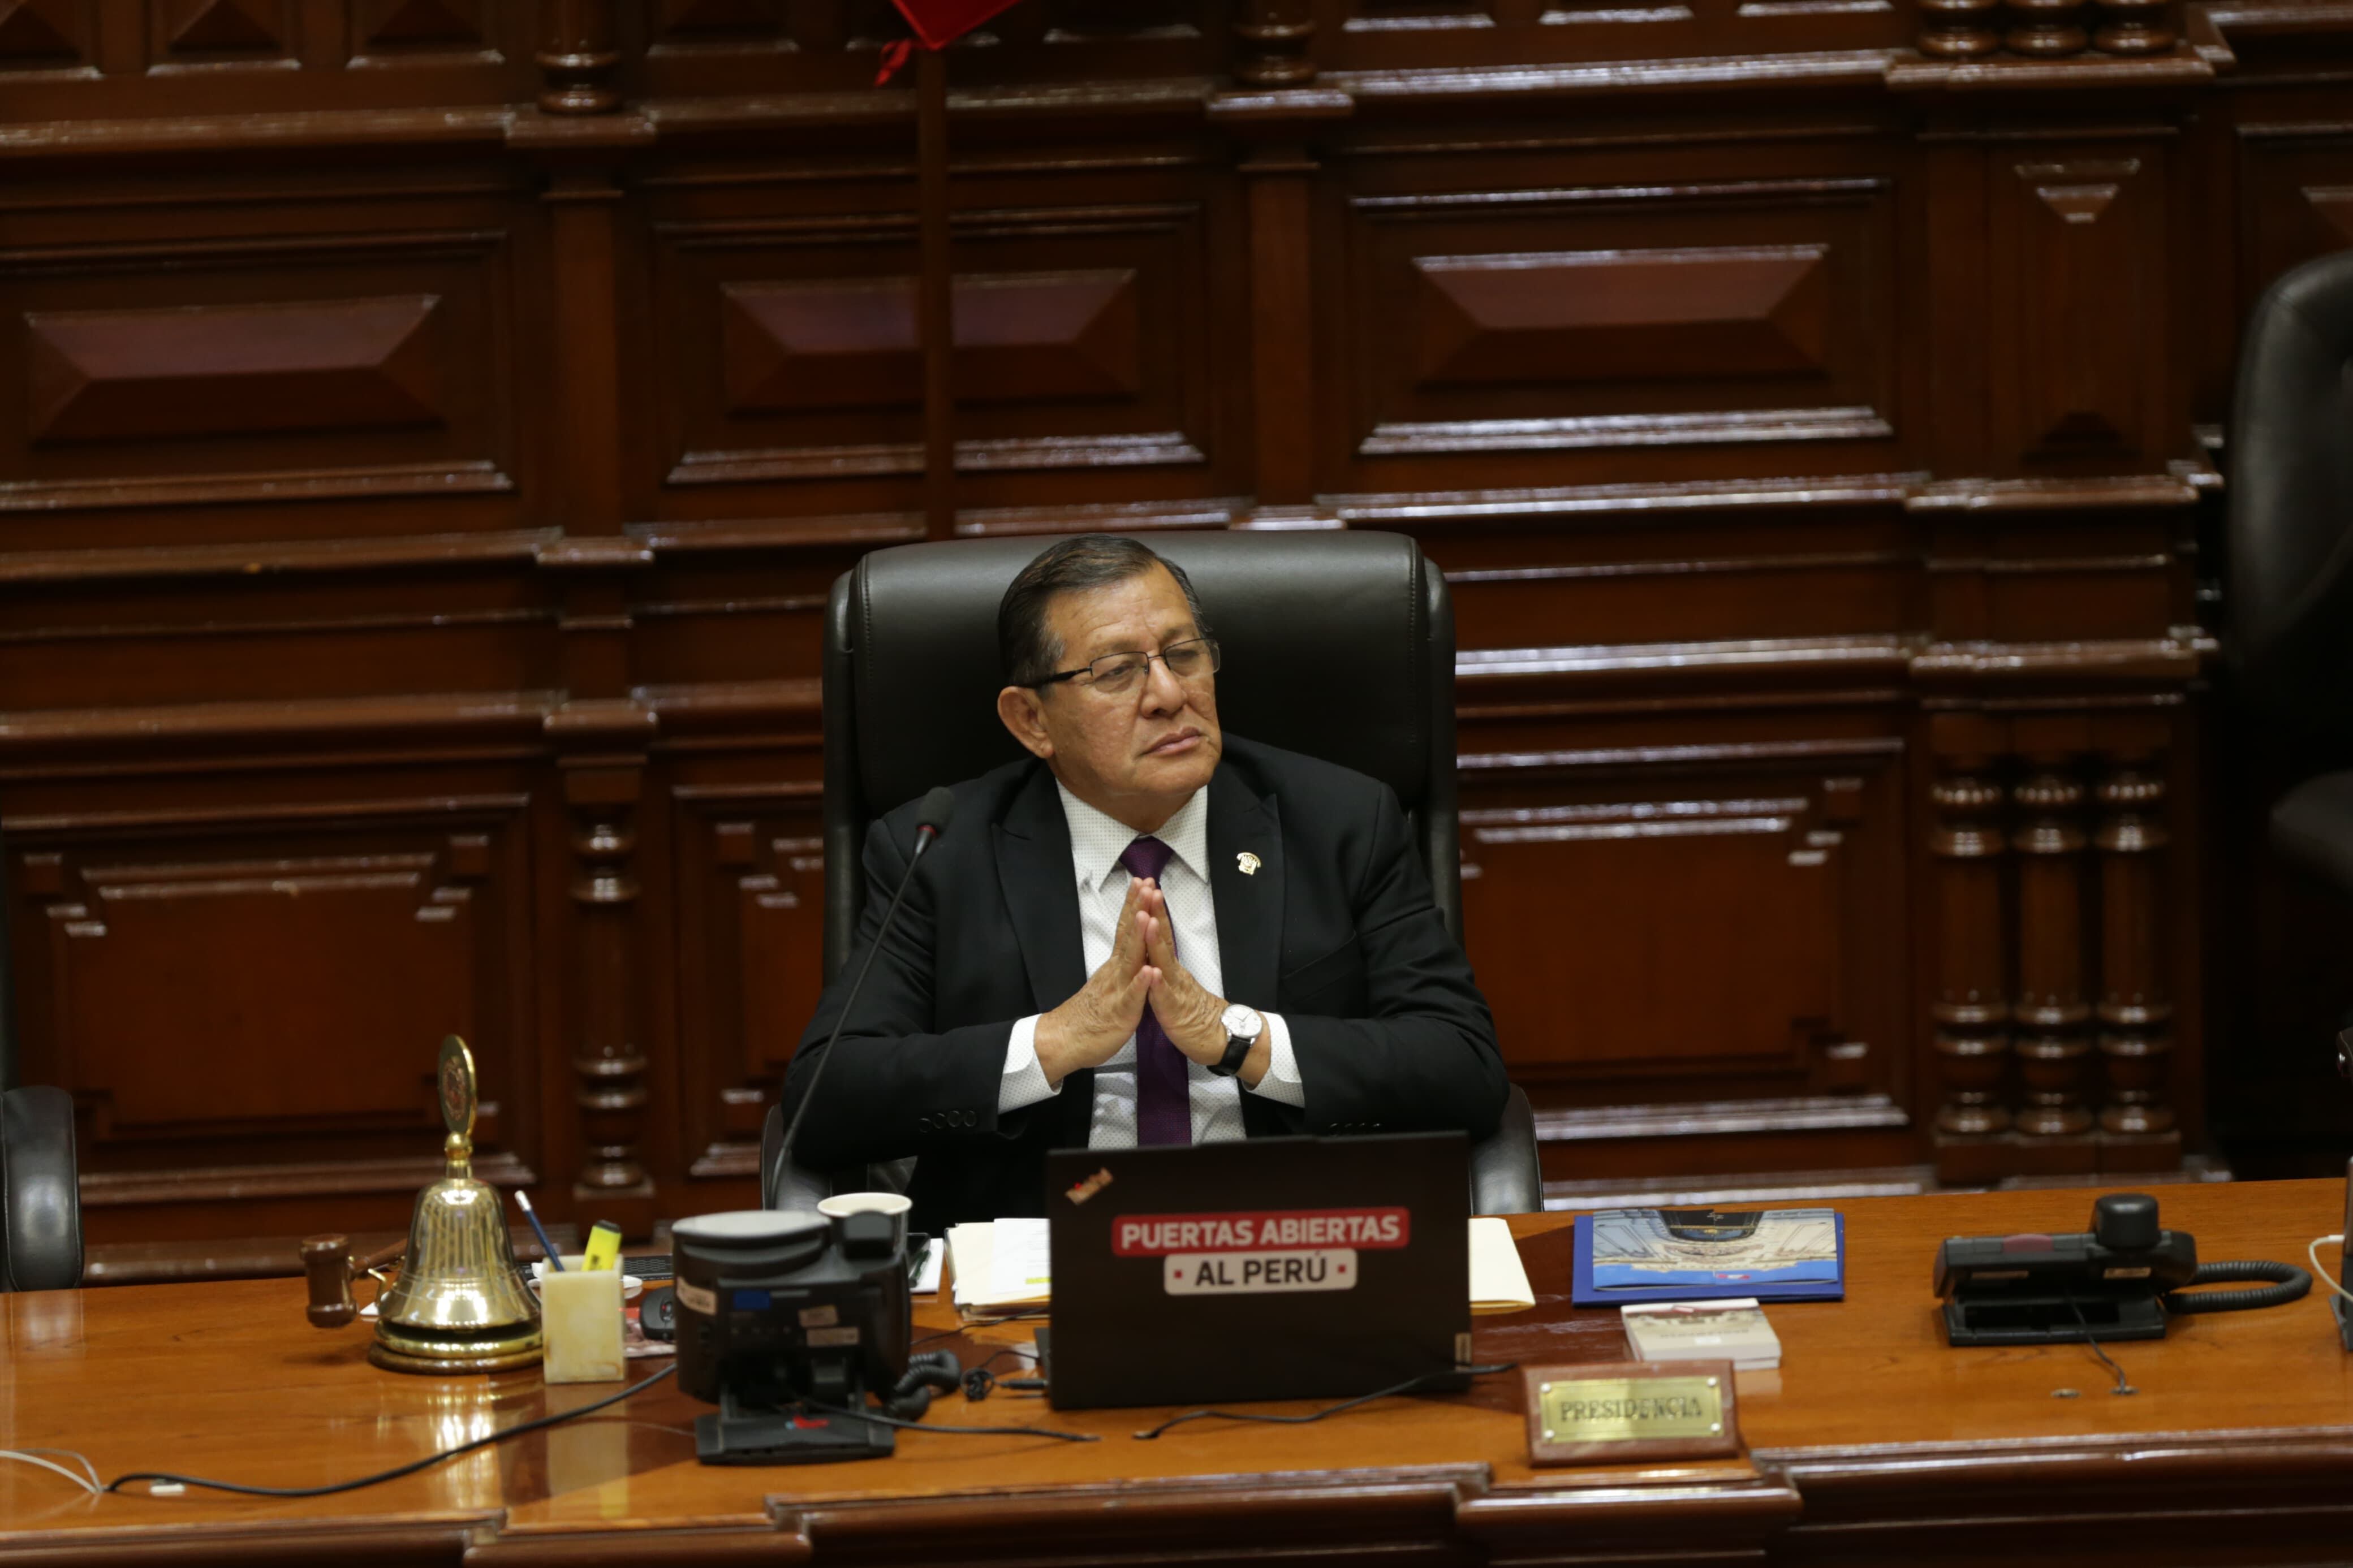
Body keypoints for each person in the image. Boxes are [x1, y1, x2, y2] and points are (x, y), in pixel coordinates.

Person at [782, 534, 1507, 1231]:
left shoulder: (1343, 823)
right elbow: (829, 1097)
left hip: (1290, 1244)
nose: (1168, 693)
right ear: (1031, 719)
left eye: (1183, 654)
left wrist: (1237, 1038)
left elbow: (1462, 1067)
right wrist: (1054, 1042)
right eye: (1116, 670)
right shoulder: (941, 852)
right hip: (1037, 1263)